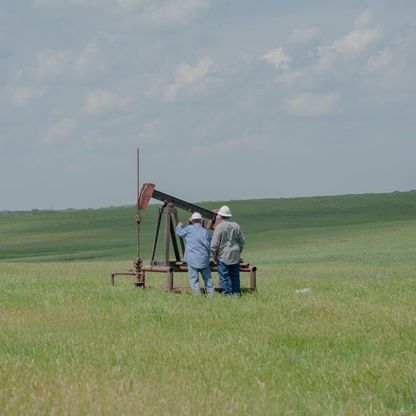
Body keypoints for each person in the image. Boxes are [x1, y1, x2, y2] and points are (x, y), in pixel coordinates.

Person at [176, 212, 215, 296]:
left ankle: (197, 297)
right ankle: (211, 296)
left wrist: (179, 226)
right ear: (201, 220)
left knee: (194, 279)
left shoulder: (189, 229)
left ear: (192, 220)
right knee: (208, 279)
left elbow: (179, 233)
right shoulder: (205, 232)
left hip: (192, 259)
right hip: (204, 259)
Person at [211, 205, 245, 296]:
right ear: (229, 216)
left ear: (220, 216)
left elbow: (214, 245)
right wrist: (238, 252)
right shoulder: (236, 225)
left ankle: (226, 295)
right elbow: (242, 241)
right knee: (235, 277)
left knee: (224, 277)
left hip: (223, 256)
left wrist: (214, 257)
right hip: (235, 256)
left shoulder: (219, 227)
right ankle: (236, 294)